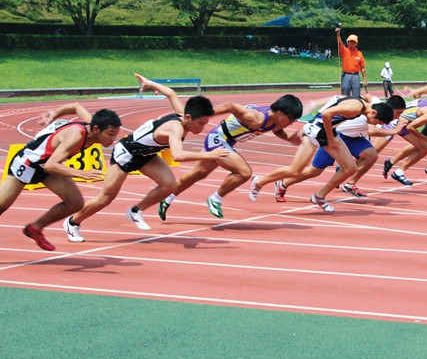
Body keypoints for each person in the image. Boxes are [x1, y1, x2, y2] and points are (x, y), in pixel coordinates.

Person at [62, 74, 227, 242]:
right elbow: (177, 155)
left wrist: (149, 83)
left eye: (206, 123)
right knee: (106, 198)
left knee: (169, 184)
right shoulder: (175, 128)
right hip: (126, 153)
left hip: (146, 154)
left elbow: (170, 93)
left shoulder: (182, 114)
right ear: (188, 118)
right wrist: (209, 154)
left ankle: (135, 211)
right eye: (201, 123)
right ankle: (73, 222)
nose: (203, 127)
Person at [157, 94, 303, 219]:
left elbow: (277, 130)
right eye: (292, 119)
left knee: (198, 173)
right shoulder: (255, 118)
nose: (291, 123)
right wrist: (202, 115)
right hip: (218, 138)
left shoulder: (276, 121)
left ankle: (167, 198)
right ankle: (215, 198)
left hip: (228, 142)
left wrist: (290, 138)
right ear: (280, 113)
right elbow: (230, 106)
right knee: (244, 172)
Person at [0, 104, 121, 250]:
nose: (113, 139)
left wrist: (54, 113)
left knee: (75, 203)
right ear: (96, 129)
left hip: (47, 168)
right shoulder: (76, 136)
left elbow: (76, 107)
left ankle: (35, 228)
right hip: (28, 164)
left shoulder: (93, 124)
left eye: (115, 134)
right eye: (110, 134)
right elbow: (51, 165)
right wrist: (82, 173)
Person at [250, 95, 393, 212]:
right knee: (296, 169)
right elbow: (326, 113)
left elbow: (337, 99)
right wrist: (330, 138)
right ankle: (260, 181)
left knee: (350, 168)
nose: (373, 124)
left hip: (328, 131)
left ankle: (319, 196)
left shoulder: (361, 103)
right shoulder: (355, 108)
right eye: (376, 122)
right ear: (373, 112)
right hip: (316, 130)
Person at [336, 27, 367, 97]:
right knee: (345, 96)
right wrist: (338, 35)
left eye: (354, 42)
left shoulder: (359, 54)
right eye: (351, 41)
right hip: (346, 75)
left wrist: (365, 79)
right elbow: (340, 44)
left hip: (356, 76)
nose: (352, 43)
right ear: (348, 42)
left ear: (356, 43)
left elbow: (362, 68)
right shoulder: (345, 51)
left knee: (356, 96)